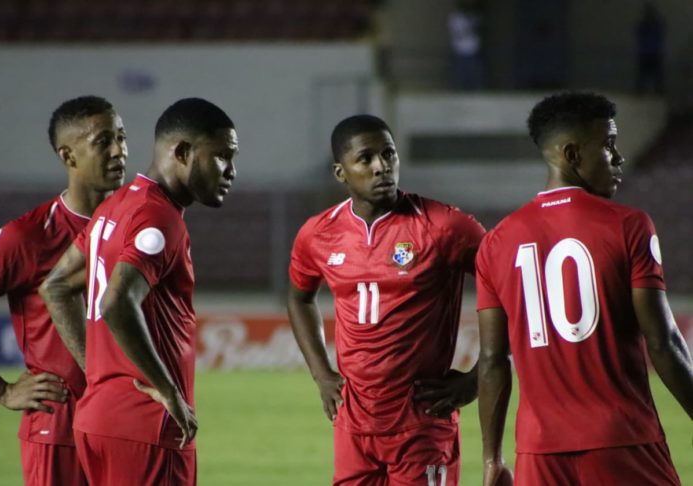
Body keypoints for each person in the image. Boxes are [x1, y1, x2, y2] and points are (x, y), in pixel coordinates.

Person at [477, 92, 693, 486]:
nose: (619, 158)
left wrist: (492, 459)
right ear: (572, 155)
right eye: (608, 145)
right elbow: (663, 343)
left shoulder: (495, 242)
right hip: (622, 441)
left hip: (538, 453)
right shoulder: (629, 225)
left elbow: (492, 360)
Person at [40, 98, 238, 486]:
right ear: (183, 152)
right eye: (222, 156)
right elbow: (117, 301)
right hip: (146, 425)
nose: (230, 171)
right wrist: (170, 392)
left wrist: (98, 374)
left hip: (98, 420)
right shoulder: (159, 216)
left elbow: (56, 285)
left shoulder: (115, 205)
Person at [287, 114, 485, 485]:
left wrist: (478, 376)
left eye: (388, 154)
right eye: (365, 158)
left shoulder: (444, 227)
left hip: (422, 424)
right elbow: (300, 298)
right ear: (341, 173)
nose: (381, 166)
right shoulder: (317, 234)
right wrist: (321, 373)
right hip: (354, 425)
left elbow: (513, 291)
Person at [0, 95, 127, 485]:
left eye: (122, 137)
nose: (119, 151)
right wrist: (2, 391)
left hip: (127, 420)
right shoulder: (28, 237)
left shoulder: (136, 224)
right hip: (60, 428)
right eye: (103, 141)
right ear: (68, 155)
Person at [636, 1, 666, 95]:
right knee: (645, 76)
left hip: (652, 53)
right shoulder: (645, 25)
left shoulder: (655, 26)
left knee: (655, 76)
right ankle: (642, 91)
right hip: (648, 53)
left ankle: (657, 91)